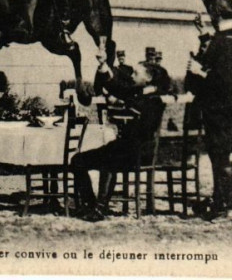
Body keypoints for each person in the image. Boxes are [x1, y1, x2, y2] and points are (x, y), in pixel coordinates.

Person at [70, 55, 167, 222]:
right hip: (126, 148)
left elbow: (139, 121)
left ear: (149, 78)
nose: (132, 76)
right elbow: (119, 88)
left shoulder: (153, 99)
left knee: (103, 160)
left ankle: (98, 208)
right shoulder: (141, 93)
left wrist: (122, 107)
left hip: (137, 151)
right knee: (79, 160)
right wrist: (103, 66)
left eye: (136, 73)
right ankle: (92, 205)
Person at [187, 0, 232, 220]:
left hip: (219, 109)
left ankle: (226, 204)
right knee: (230, 154)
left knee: (220, 156)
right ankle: (230, 201)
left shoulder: (223, 40)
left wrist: (199, 72)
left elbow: (222, 80)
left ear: (215, 13)